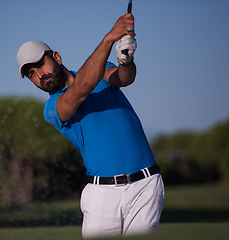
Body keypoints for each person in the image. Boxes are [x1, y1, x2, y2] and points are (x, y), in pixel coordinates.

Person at [16, 12, 164, 238]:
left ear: (56, 57)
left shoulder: (102, 73)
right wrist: (109, 39)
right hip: (102, 195)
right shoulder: (53, 108)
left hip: (146, 186)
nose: (39, 75)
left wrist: (126, 59)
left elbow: (125, 78)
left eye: (39, 65)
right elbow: (82, 87)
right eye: (31, 74)